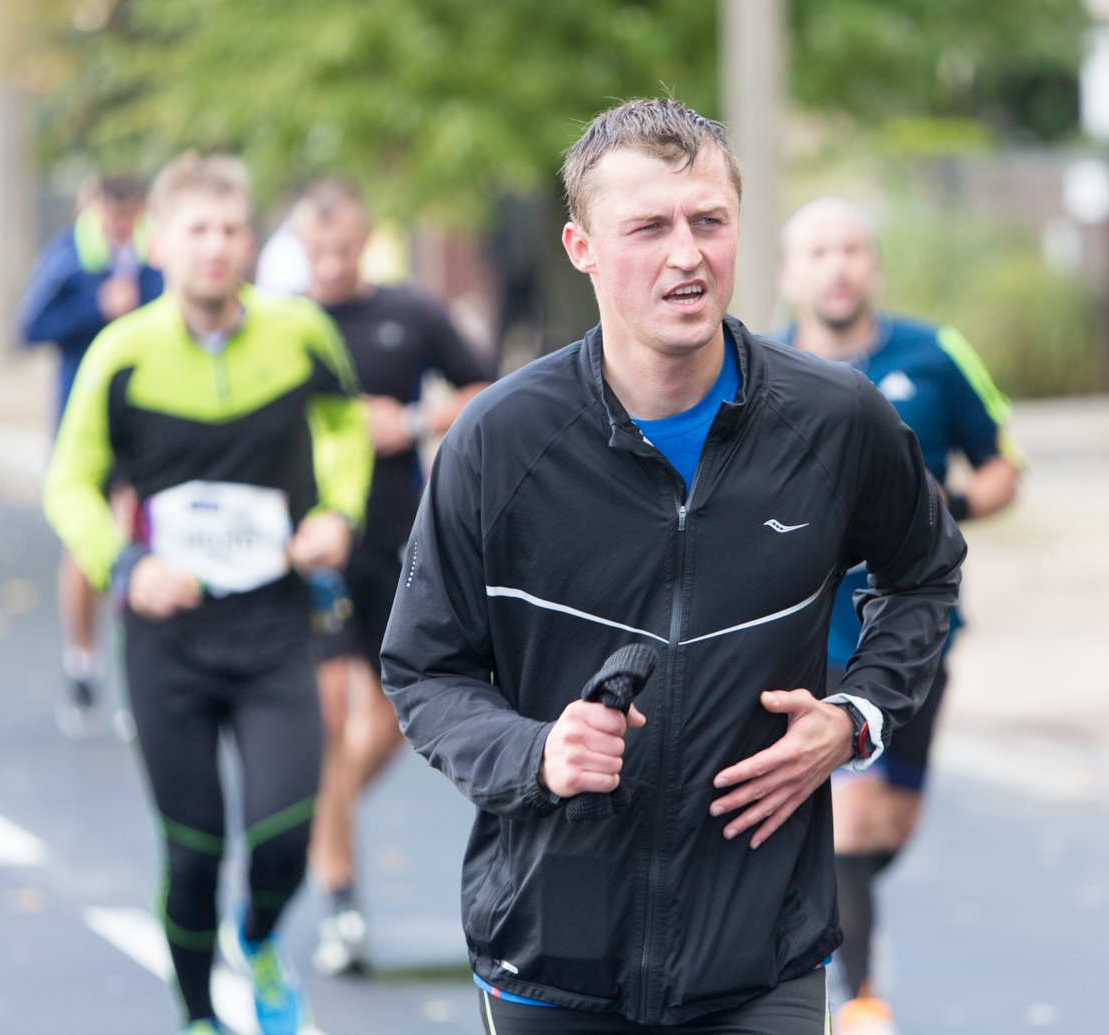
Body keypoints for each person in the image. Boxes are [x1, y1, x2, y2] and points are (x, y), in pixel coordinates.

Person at [380, 98, 967, 1034]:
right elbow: (423, 670)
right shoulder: (500, 440)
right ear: (582, 247)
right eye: (648, 227)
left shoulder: (834, 419)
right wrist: (537, 752)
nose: (687, 255)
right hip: (553, 952)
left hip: (760, 948)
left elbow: (926, 573)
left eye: (709, 221)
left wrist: (856, 718)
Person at [43, 152, 374, 1035]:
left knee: (284, 831)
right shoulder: (124, 354)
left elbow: (344, 428)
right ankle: (198, 1014)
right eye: (197, 230)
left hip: (273, 625)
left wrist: (338, 513)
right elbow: (68, 480)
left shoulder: (301, 332)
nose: (217, 247)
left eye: (232, 229)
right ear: (160, 243)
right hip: (169, 637)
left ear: (251, 240)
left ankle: (259, 936)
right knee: (192, 851)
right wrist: (123, 565)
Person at [778, 197, 1022, 1035]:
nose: (837, 266)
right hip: (809, 636)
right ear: (791, 273)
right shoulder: (761, 366)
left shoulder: (936, 353)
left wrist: (939, 506)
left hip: (918, 630)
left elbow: (1003, 470)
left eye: (851, 250)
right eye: (819, 252)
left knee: (891, 822)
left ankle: (820, 909)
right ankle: (862, 997)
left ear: (872, 265)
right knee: (847, 804)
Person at [292, 177, 492, 975]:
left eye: (346, 247)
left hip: (399, 540)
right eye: (319, 249)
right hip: (311, 546)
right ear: (299, 248)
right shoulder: (284, 327)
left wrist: (410, 421)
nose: (334, 263)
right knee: (329, 719)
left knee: (379, 725)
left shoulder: (410, 313)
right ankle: (339, 897)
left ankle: (315, 828)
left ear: (366, 240)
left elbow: (483, 389)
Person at [18, 174, 163, 737]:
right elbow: (30, 326)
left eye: (131, 215)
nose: (121, 226)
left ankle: (139, 675)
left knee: (136, 533)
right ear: (94, 208)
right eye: (112, 215)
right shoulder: (68, 256)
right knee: (86, 542)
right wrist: (95, 305)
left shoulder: (156, 253)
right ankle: (82, 663)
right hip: (83, 416)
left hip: (143, 417)